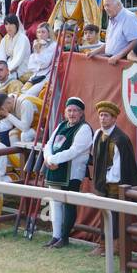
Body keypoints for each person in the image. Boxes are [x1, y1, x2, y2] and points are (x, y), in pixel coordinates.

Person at [88, 100, 137, 256]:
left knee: (116, 217)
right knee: (104, 214)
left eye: (106, 116)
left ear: (114, 119)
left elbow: (119, 166)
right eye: (101, 115)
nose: (103, 118)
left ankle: (116, 247)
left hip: (115, 184)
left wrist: (110, 181)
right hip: (102, 184)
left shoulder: (120, 139)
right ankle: (103, 245)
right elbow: (95, 157)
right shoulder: (98, 134)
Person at [39, 96, 92, 248]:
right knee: (55, 204)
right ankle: (55, 236)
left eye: (75, 110)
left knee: (69, 204)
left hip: (72, 172)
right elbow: (49, 143)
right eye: (69, 110)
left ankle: (65, 237)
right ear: (65, 112)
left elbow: (74, 151)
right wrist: (49, 159)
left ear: (81, 113)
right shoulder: (62, 125)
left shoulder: (84, 129)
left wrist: (54, 160)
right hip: (54, 170)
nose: (72, 113)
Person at [102, 0, 137, 65]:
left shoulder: (129, 17)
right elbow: (110, 43)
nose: (106, 8)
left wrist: (119, 56)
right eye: (104, 6)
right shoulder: (113, 16)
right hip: (113, 61)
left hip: (123, 62)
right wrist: (95, 52)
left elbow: (136, 40)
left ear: (118, 5)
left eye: (108, 5)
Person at [0, 15, 32, 79]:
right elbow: (0, 54)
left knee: (0, 79)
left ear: (16, 25)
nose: (8, 27)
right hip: (7, 67)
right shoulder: (5, 38)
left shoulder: (22, 39)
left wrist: (4, 69)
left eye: (11, 24)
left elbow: (18, 59)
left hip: (21, 68)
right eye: (6, 24)